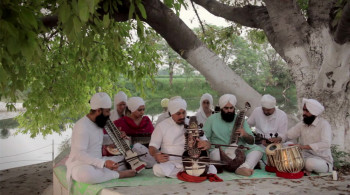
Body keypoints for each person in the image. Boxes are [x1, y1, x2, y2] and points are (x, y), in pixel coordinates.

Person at [65, 92, 136, 186]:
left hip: (98, 161)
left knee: (127, 158)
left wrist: (116, 137)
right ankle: (118, 174)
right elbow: (79, 154)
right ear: (98, 111)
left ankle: (106, 172)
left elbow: (99, 140)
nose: (109, 114)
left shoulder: (97, 122)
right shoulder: (82, 126)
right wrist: (104, 163)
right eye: (107, 111)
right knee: (87, 176)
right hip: (81, 164)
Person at [149, 97, 217, 178]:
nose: (182, 116)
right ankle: (189, 173)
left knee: (213, 169)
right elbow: (152, 147)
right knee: (157, 169)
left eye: (184, 112)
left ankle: (186, 173)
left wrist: (206, 144)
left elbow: (207, 143)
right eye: (178, 114)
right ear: (171, 113)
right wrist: (156, 155)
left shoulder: (192, 123)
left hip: (192, 161)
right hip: (171, 163)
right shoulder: (162, 126)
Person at [203, 94, 264, 176]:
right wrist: (206, 142)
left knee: (258, 150)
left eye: (231, 108)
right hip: (221, 150)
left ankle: (243, 167)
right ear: (221, 108)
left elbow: (251, 140)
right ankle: (240, 166)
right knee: (216, 155)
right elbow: (204, 136)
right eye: (226, 108)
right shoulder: (212, 119)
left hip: (240, 150)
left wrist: (245, 134)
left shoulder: (240, 119)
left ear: (234, 108)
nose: (229, 110)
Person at [287, 98, 333, 175]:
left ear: (314, 112)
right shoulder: (302, 124)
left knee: (310, 163)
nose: (304, 113)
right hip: (303, 157)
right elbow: (289, 135)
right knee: (286, 146)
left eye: (307, 111)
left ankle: (304, 168)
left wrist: (303, 147)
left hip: (321, 160)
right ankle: (304, 168)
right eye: (304, 110)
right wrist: (279, 138)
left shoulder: (324, 125)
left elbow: (326, 144)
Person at [113, 96, 156, 168]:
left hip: (146, 154)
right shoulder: (121, 122)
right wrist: (120, 134)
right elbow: (107, 133)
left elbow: (155, 138)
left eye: (143, 109)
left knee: (138, 147)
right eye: (139, 110)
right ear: (132, 109)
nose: (142, 112)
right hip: (129, 156)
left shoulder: (146, 120)